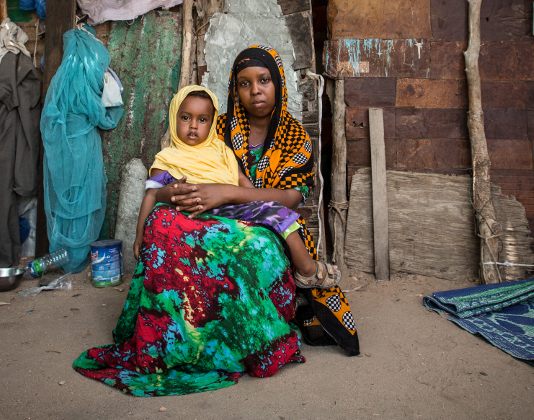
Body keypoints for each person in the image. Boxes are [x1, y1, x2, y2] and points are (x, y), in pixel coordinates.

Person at [73, 46, 359, 397]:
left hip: (266, 222)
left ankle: (252, 330)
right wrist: (176, 194)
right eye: (244, 83)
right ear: (233, 90)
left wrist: (226, 193)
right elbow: (168, 181)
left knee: (254, 247)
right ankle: (186, 337)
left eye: (264, 80)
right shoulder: (216, 127)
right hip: (207, 217)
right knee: (167, 226)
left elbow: (290, 198)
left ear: (278, 84)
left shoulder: (294, 136)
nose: (255, 90)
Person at [134, 85, 340, 289]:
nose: (194, 126)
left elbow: (242, 181)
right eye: (186, 118)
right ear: (174, 118)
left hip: (228, 206)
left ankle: (307, 271)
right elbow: (152, 195)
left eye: (202, 119)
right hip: (193, 214)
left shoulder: (221, 151)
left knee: (279, 213)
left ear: (212, 122)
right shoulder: (167, 158)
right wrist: (140, 235)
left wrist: (261, 204)